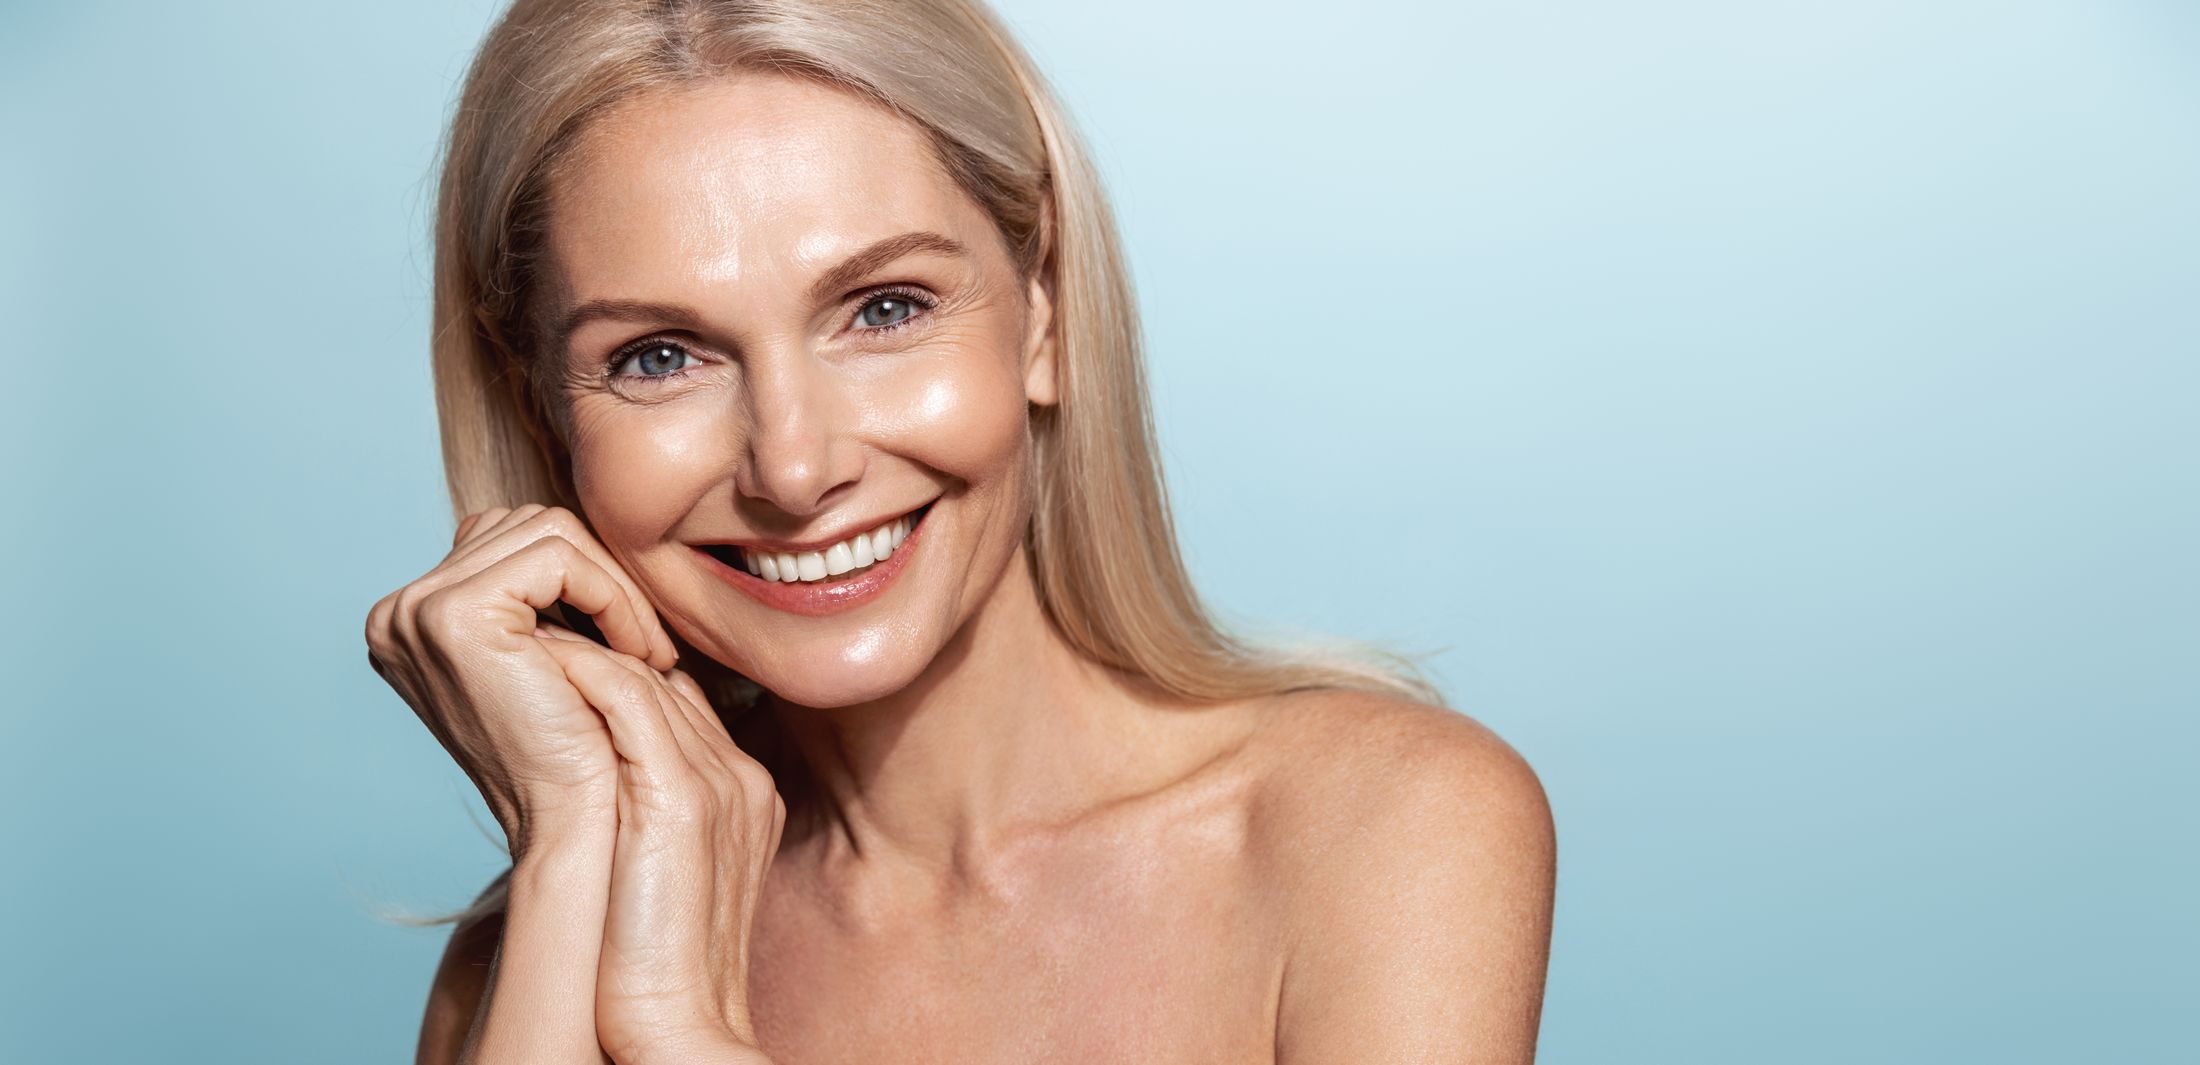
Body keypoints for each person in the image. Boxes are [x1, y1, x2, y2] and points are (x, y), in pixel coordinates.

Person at [363, 1, 1557, 1062]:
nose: (794, 465)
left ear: (1041, 315)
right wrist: (579, 837)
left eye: (884, 310)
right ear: (540, 405)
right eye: (658, 357)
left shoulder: (1377, 833)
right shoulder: (521, 966)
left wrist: (681, 1031)